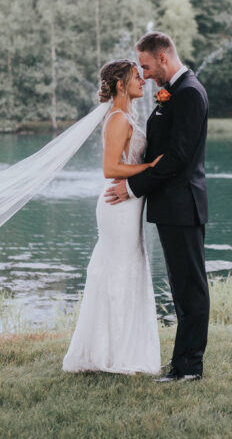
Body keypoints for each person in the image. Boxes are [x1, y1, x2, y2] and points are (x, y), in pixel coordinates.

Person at [105, 32, 210, 383]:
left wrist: (133, 185)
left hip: (183, 206)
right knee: (180, 288)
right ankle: (181, 364)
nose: (145, 75)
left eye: (147, 66)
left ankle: (190, 367)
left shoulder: (190, 93)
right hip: (170, 207)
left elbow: (178, 157)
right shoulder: (175, 93)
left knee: (191, 289)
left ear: (163, 58)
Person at [62, 60, 163, 375]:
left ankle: (117, 349)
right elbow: (110, 169)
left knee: (128, 269)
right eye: (136, 77)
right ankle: (109, 354)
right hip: (117, 206)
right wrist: (149, 168)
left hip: (128, 204)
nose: (142, 82)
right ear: (121, 85)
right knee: (118, 271)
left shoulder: (126, 116)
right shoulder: (118, 119)